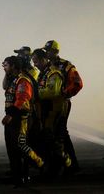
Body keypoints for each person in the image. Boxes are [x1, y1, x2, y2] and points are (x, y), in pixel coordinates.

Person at [2, 56, 44, 186]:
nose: (4, 66)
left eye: (6, 64)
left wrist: (10, 114)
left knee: (20, 146)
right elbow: (5, 88)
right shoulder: (14, 79)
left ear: (13, 66)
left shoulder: (23, 80)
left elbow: (22, 99)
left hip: (21, 119)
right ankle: (17, 177)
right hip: (13, 119)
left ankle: (39, 163)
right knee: (12, 150)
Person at [32, 49, 71, 177]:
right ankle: (56, 167)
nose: (35, 64)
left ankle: (65, 165)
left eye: (36, 61)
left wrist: (35, 93)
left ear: (44, 59)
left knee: (53, 141)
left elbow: (53, 91)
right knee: (48, 140)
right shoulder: (43, 73)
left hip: (55, 111)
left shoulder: (54, 72)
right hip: (47, 111)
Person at [43, 40, 80, 174]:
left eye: (48, 50)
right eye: (45, 51)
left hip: (61, 104)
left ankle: (69, 165)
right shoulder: (47, 66)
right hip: (49, 105)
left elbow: (77, 83)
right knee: (58, 133)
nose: (46, 53)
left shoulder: (66, 65)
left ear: (55, 51)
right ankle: (68, 164)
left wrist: (65, 94)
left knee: (60, 133)